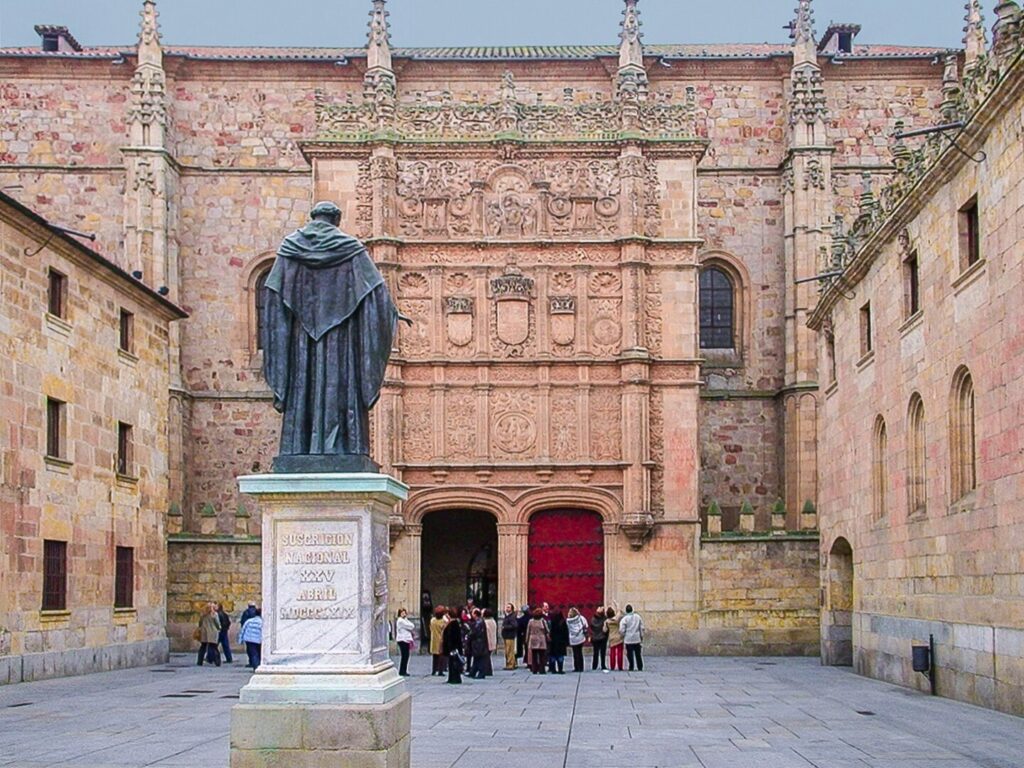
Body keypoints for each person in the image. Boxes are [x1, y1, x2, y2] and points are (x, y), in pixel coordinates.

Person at [261, 201, 403, 472]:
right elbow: (378, 297)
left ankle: (301, 445)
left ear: (313, 218)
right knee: (338, 387)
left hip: (302, 345)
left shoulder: (290, 249)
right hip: (341, 343)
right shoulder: (351, 250)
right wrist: (392, 315)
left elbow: (273, 297)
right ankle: (342, 445)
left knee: (305, 387)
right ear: (336, 220)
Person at [620, 604, 645, 672]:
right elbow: (642, 627)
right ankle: (640, 666)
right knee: (638, 654)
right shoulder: (638, 617)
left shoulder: (625, 619)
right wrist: (641, 636)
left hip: (628, 638)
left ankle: (631, 666)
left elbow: (622, 629)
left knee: (630, 654)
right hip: (637, 638)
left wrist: (623, 635)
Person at [442, 608, 464, 684]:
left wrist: (451, 647)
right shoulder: (454, 623)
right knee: (452, 663)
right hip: (453, 647)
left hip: (453, 648)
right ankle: (452, 678)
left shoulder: (453, 624)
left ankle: (454, 678)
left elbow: (452, 637)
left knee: (453, 663)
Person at [197, 602, 221, 667]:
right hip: (213, 632)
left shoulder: (203, 615)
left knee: (203, 647)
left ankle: (199, 661)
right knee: (214, 647)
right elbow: (217, 623)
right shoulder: (214, 614)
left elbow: (200, 623)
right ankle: (217, 661)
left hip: (204, 632)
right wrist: (219, 628)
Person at [467, 609, 489, 679]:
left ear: (475, 614)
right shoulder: (479, 622)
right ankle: (473, 672)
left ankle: (481, 673)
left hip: (478, 643)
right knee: (476, 659)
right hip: (478, 643)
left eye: (472, 613)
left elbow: (475, 633)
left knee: (480, 658)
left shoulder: (479, 622)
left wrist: (469, 635)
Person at [525, 609, 549, 674]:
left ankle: (534, 669)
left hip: (533, 639)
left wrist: (526, 640)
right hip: (541, 639)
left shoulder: (531, 621)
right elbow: (547, 630)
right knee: (542, 656)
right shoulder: (543, 621)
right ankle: (542, 670)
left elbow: (528, 631)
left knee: (534, 656)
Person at [395, 608, 416, 677]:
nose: (403, 614)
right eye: (402, 613)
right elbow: (411, 626)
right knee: (404, 656)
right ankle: (402, 671)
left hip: (406, 639)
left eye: (404, 613)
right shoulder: (400, 621)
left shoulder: (405, 620)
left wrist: (407, 620)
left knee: (406, 656)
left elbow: (411, 625)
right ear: (399, 614)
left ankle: (404, 670)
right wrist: (408, 623)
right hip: (402, 640)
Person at [567, 607, 588, 672]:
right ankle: (581, 667)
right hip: (580, 637)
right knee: (580, 653)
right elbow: (586, 625)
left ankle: (576, 667)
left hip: (573, 638)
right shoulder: (581, 618)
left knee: (575, 653)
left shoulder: (568, 621)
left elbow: (568, 629)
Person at [429, 605, 448, 676]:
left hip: (434, 640)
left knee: (435, 657)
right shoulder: (443, 622)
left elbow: (430, 628)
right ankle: (440, 671)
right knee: (441, 656)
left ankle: (434, 670)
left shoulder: (432, 621)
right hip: (441, 640)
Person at [501, 603, 518, 670]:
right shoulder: (508, 616)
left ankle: (510, 664)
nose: (507, 608)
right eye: (506, 607)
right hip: (506, 635)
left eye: (508, 607)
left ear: (511, 609)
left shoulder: (512, 617)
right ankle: (511, 663)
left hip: (509, 635)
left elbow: (514, 625)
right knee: (508, 650)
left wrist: (505, 627)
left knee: (509, 651)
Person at [605, 607, 623, 672]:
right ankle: (620, 666)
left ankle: (612, 666)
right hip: (619, 637)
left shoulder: (607, 621)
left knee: (612, 653)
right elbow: (620, 613)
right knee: (620, 652)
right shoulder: (617, 620)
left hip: (611, 637)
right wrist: (617, 606)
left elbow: (604, 630)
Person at [590, 606, 608, 671]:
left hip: (595, 638)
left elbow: (591, 627)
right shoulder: (605, 619)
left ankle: (594, 665)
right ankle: (603, 665)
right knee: (603, 653)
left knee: (595, 653)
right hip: (603, 637)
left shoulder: (593, 619)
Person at [483, 609, 498, 677]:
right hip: (492, 641)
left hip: (487, 641)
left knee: (486, 657)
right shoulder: (493, 621)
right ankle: (488, 670)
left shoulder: (486, 622)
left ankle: (487, 670)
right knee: (488, 656)